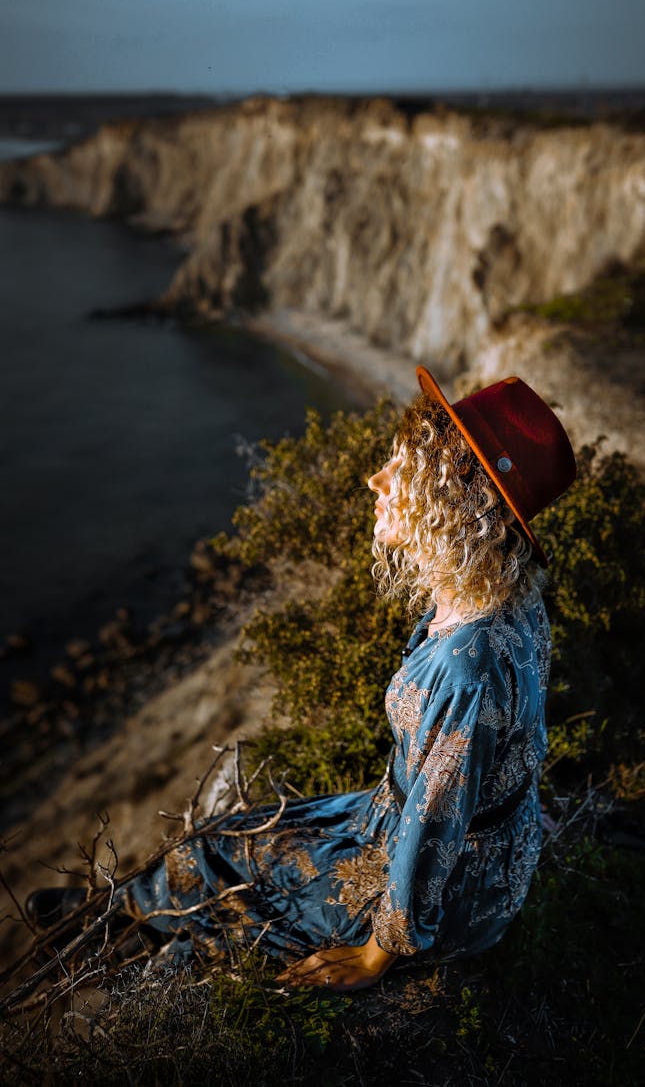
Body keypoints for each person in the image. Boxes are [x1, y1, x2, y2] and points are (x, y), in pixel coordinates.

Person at [25, 365, 576, 992]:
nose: (377, 479)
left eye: (402, 470)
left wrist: (378, 953)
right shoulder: (502, 592)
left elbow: (434, 826)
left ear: (456, 500)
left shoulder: (464, 663)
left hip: (450, 895)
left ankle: (115, 937)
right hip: (460, 846)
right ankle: (116, 919)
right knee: (225, 838)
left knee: (219, 869)